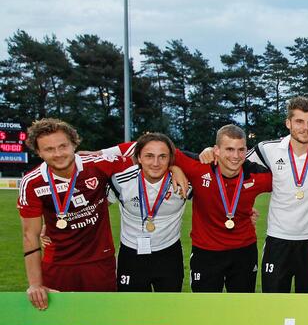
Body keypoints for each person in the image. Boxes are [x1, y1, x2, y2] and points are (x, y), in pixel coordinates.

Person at [18, 118, 135, 309]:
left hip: (99, 260)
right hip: (58, 263)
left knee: (102, 317)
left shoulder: (98, 164)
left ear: (74, 144)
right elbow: (29, 235)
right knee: (60, 322)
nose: (58, 154)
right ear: (38, 152)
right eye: (49, 149)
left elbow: (147, 150)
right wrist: (35, 284)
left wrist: (175, 166)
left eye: (63, 146)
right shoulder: (32, 182)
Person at [243, 96, 308, 293]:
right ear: (288, 123)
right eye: (299, 121)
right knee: (273, 306)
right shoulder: (267, 149)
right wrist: (208, 151)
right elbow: (233, 165)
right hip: (278, 240)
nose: (305, 128)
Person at [174, 124, 273, 293]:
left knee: (242, 310)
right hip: (206, 253)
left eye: (241, 150)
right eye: (229, 149)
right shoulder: (199, 167)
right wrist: (173, 167)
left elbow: (291, 185)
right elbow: (158, 148)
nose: (236, 156)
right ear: (216, 150)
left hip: (244, 252)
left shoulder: (259, 176)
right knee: (206, 311)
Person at [108, 133, 189, 292]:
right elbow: (96, 207)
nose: (156, 163)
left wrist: (246, 211)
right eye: (149, 156)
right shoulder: (120, 181)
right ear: (138, 157)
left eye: (162, 157)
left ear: (170, 159)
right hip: (131, 254)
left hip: (169, 254)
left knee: (168, 310)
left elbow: (212, 197)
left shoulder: (184, 183)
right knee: (132, 312)